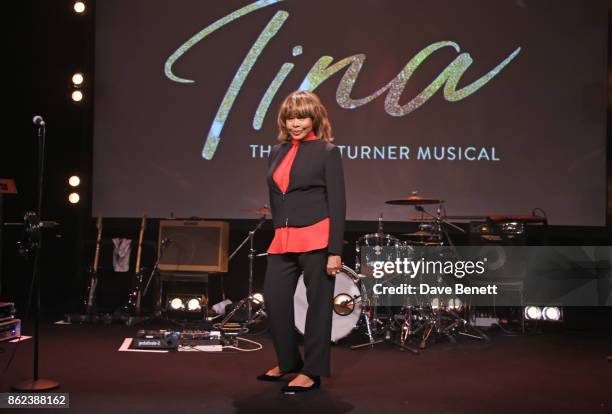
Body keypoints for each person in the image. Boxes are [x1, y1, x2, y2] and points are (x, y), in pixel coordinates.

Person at [257, 90, 346, 394]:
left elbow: (338, 203)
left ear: (314, 118)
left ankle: (313, 371)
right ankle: (287, 362)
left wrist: (335, 250)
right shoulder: (276, 151)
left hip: (317, 237)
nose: (295, 123)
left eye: (302, 117)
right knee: (275, 300)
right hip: (283, 239)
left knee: (318, 307)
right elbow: (275, 197)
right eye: (290, 117)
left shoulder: (327, 152)